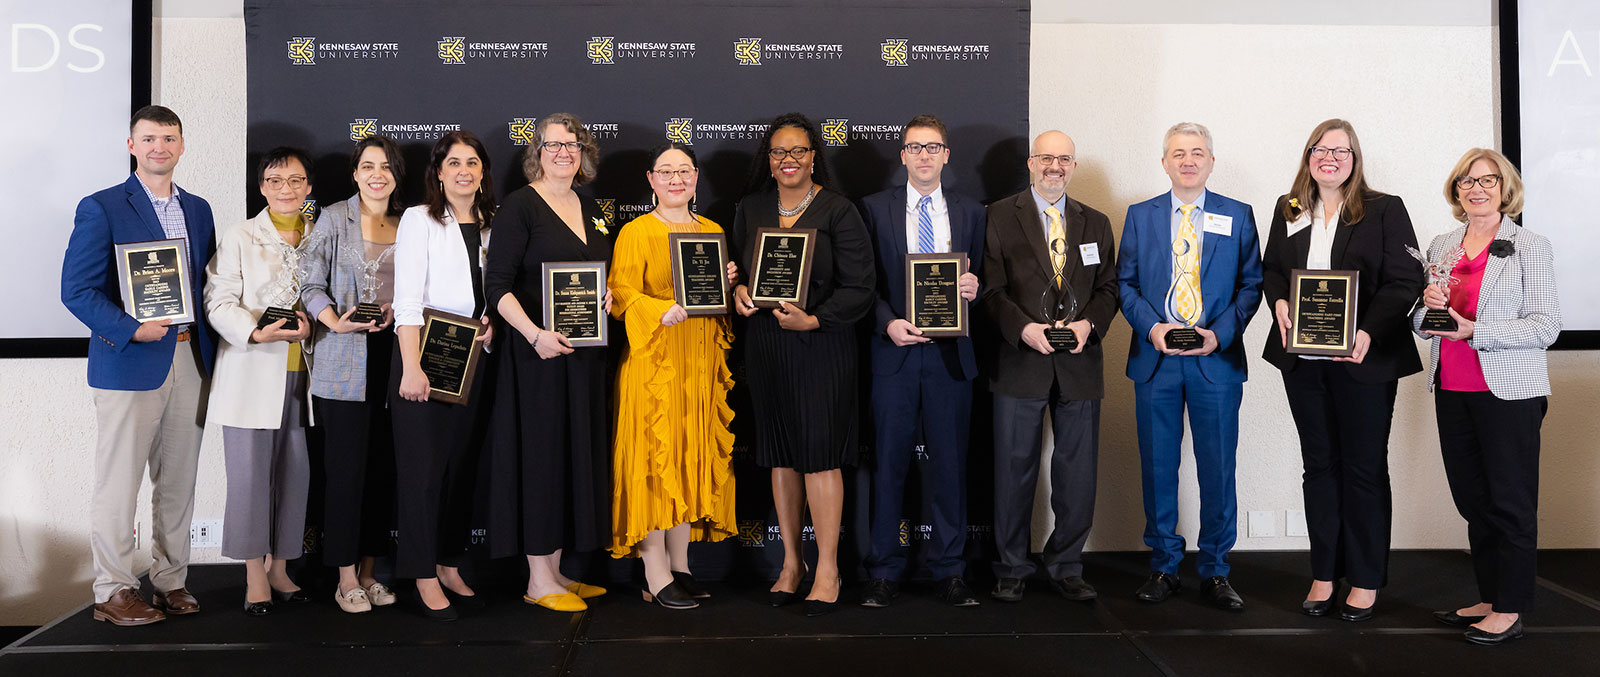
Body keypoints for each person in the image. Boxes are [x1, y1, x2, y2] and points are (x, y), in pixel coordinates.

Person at [1260, 119, 1424, 622]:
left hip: (1364, 360)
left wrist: (1368, 331)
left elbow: (1405, 279)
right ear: (1307, 155)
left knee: (1364, 468)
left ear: (1356, 158)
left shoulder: (1382, 209)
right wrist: (1281, 302)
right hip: (1302, 362)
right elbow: (1270, 269)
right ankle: (1325, 573)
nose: (1329, 157)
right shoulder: (1288, 208)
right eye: (1320, 148)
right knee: (1320, 467)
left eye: (1341, 150)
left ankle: (1367, 578)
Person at [61, 105, 216, 625]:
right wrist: (132, 328)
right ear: (132, 145)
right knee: (119, 481)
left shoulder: (198, 209)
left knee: (178, 480)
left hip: (190, 357)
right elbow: (76, 290)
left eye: (169, 138)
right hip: (131, 362)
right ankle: (113, 589)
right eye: (149, 138)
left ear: (182, 145)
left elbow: (204, 286)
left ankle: (171, 580)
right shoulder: (101, 206)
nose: (159, 147)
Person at [728, 112, 875, 617]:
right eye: (778, 153)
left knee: (820, 456)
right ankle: (791, 565)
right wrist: (741, 292)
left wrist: (815, 320)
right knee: (781, 455)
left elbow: (860, 286)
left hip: (821, 347)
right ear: (768, 163)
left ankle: (828, 568)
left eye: (798, 151)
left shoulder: (839, 210)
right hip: (768, 346)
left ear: (814, 157)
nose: (788, 160)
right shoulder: (751, 209)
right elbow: (740, 274)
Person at [1416, 149, 1560, 645]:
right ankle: (1490, 595)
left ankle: (1511, 606)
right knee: (1473, 499)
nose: (1476, 189)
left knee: (1511, 502)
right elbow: (1422, 323)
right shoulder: (1442, 245)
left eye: (1487, 180)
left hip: (1509, 392)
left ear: (1505, 187)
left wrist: (1475, 330)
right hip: (1452, 389)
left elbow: (1546, 326)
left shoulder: (1530, 245)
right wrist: (1429, 307)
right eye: (1466, 181)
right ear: (1456, 190)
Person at [1116, 122, 1262, 611]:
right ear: (1164, 162)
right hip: (1156, 359)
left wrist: (1218, 334)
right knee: (1159, 468)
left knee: (1218, 469)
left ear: (1211, 162)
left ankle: (1216, 571)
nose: (1188, 160)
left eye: (1198, 152)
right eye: (1178, 152)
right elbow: (1126, 285)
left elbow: (1250, 286)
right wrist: (1152, 330)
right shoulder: (1140, 216)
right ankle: (1162, 565)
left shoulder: (1237, 215)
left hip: (1214, 362)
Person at [978, 130, 1119, 604]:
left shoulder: (1095, 222)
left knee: (1077, 472)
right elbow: (991, 292)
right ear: (1030, 163)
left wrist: (1089, 327)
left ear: (1073, 167)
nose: (1054, 166)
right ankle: (1012, 567)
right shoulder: (997, 216)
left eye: (1063, 159)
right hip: (1020, 358)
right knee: (1013, 469)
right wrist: (1024, 330)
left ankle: (1066, 564)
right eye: (1045, 157)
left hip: (1080, 361)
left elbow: (1109, 290)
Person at [484, 113, 613, 613]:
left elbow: (597, 271)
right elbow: (497, 288)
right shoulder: (520, 207)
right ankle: (538, 578)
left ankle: (557, 570)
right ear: (536, 151)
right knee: (541, 459)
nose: (565, 152)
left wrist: (606, 298)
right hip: (537, 355)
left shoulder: (587, 203)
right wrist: (535, 334)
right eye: (554, 144)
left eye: (574, 143)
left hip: (583, 359)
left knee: (569, 456)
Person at [857, 115, 984, 609]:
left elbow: (988, 280)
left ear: (947, 155)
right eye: (915, 147)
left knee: (950, 468)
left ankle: (949, 570)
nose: (925, 155)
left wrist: (975, 288)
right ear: (903, 155)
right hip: (894, 355)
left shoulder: (973, 212)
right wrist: (887, 322)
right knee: (888, 467)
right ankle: (883, 571)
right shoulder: (872, 210)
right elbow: (862, 283)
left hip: (952, 360)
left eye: (934, 147)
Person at [606, 142, 736, 610]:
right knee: (656, 463)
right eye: (666, 171)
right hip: (654, 363)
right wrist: (661, 310)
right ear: (651, 179)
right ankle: (654, 572)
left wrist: (726, 280)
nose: (676, 179)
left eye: (684, 171)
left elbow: (715, 296)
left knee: (686, 458)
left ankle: (680, 566)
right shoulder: (636, 232)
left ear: (697, 177)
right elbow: (620, 293)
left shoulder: (712, 231)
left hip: (698, 364)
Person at [204, 146, 317, 615]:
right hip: (252, 371)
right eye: (275, 181)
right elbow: (217, 300)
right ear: (262, 187)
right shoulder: (241, 235)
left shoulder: (320, 233)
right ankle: (254, 572)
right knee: (250, 478)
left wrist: (317, 322)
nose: (285, 189)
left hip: (303, 375)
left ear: (309, 186)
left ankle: (281, 567)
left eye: (295, 180)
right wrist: (255, 331)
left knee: (296, 475)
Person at [391, 130, 497, 621]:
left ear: (483, 172)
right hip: (425, 359)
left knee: (460, 469)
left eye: (472, 163)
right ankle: (422, 573)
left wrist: (492, 326)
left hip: (473, 359)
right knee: (423, 474)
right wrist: (411, 367)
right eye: (454, 162)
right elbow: (408, 297)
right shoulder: (419, 219)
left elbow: (492, 293)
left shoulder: (494, 223)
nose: (464, 171)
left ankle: (449, 561)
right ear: (438, 171)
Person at [301, 134, 405, 613]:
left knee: (383, 470)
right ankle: (344, 576)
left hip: (397, 357)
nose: (376, 174)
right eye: (367, 166)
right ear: (355, 173)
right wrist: (331, 321)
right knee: (346, 471)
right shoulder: (332, 218)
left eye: (384, 166)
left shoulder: (412, 221)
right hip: (344, 357)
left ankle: (370, 571)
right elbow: (310, 282)